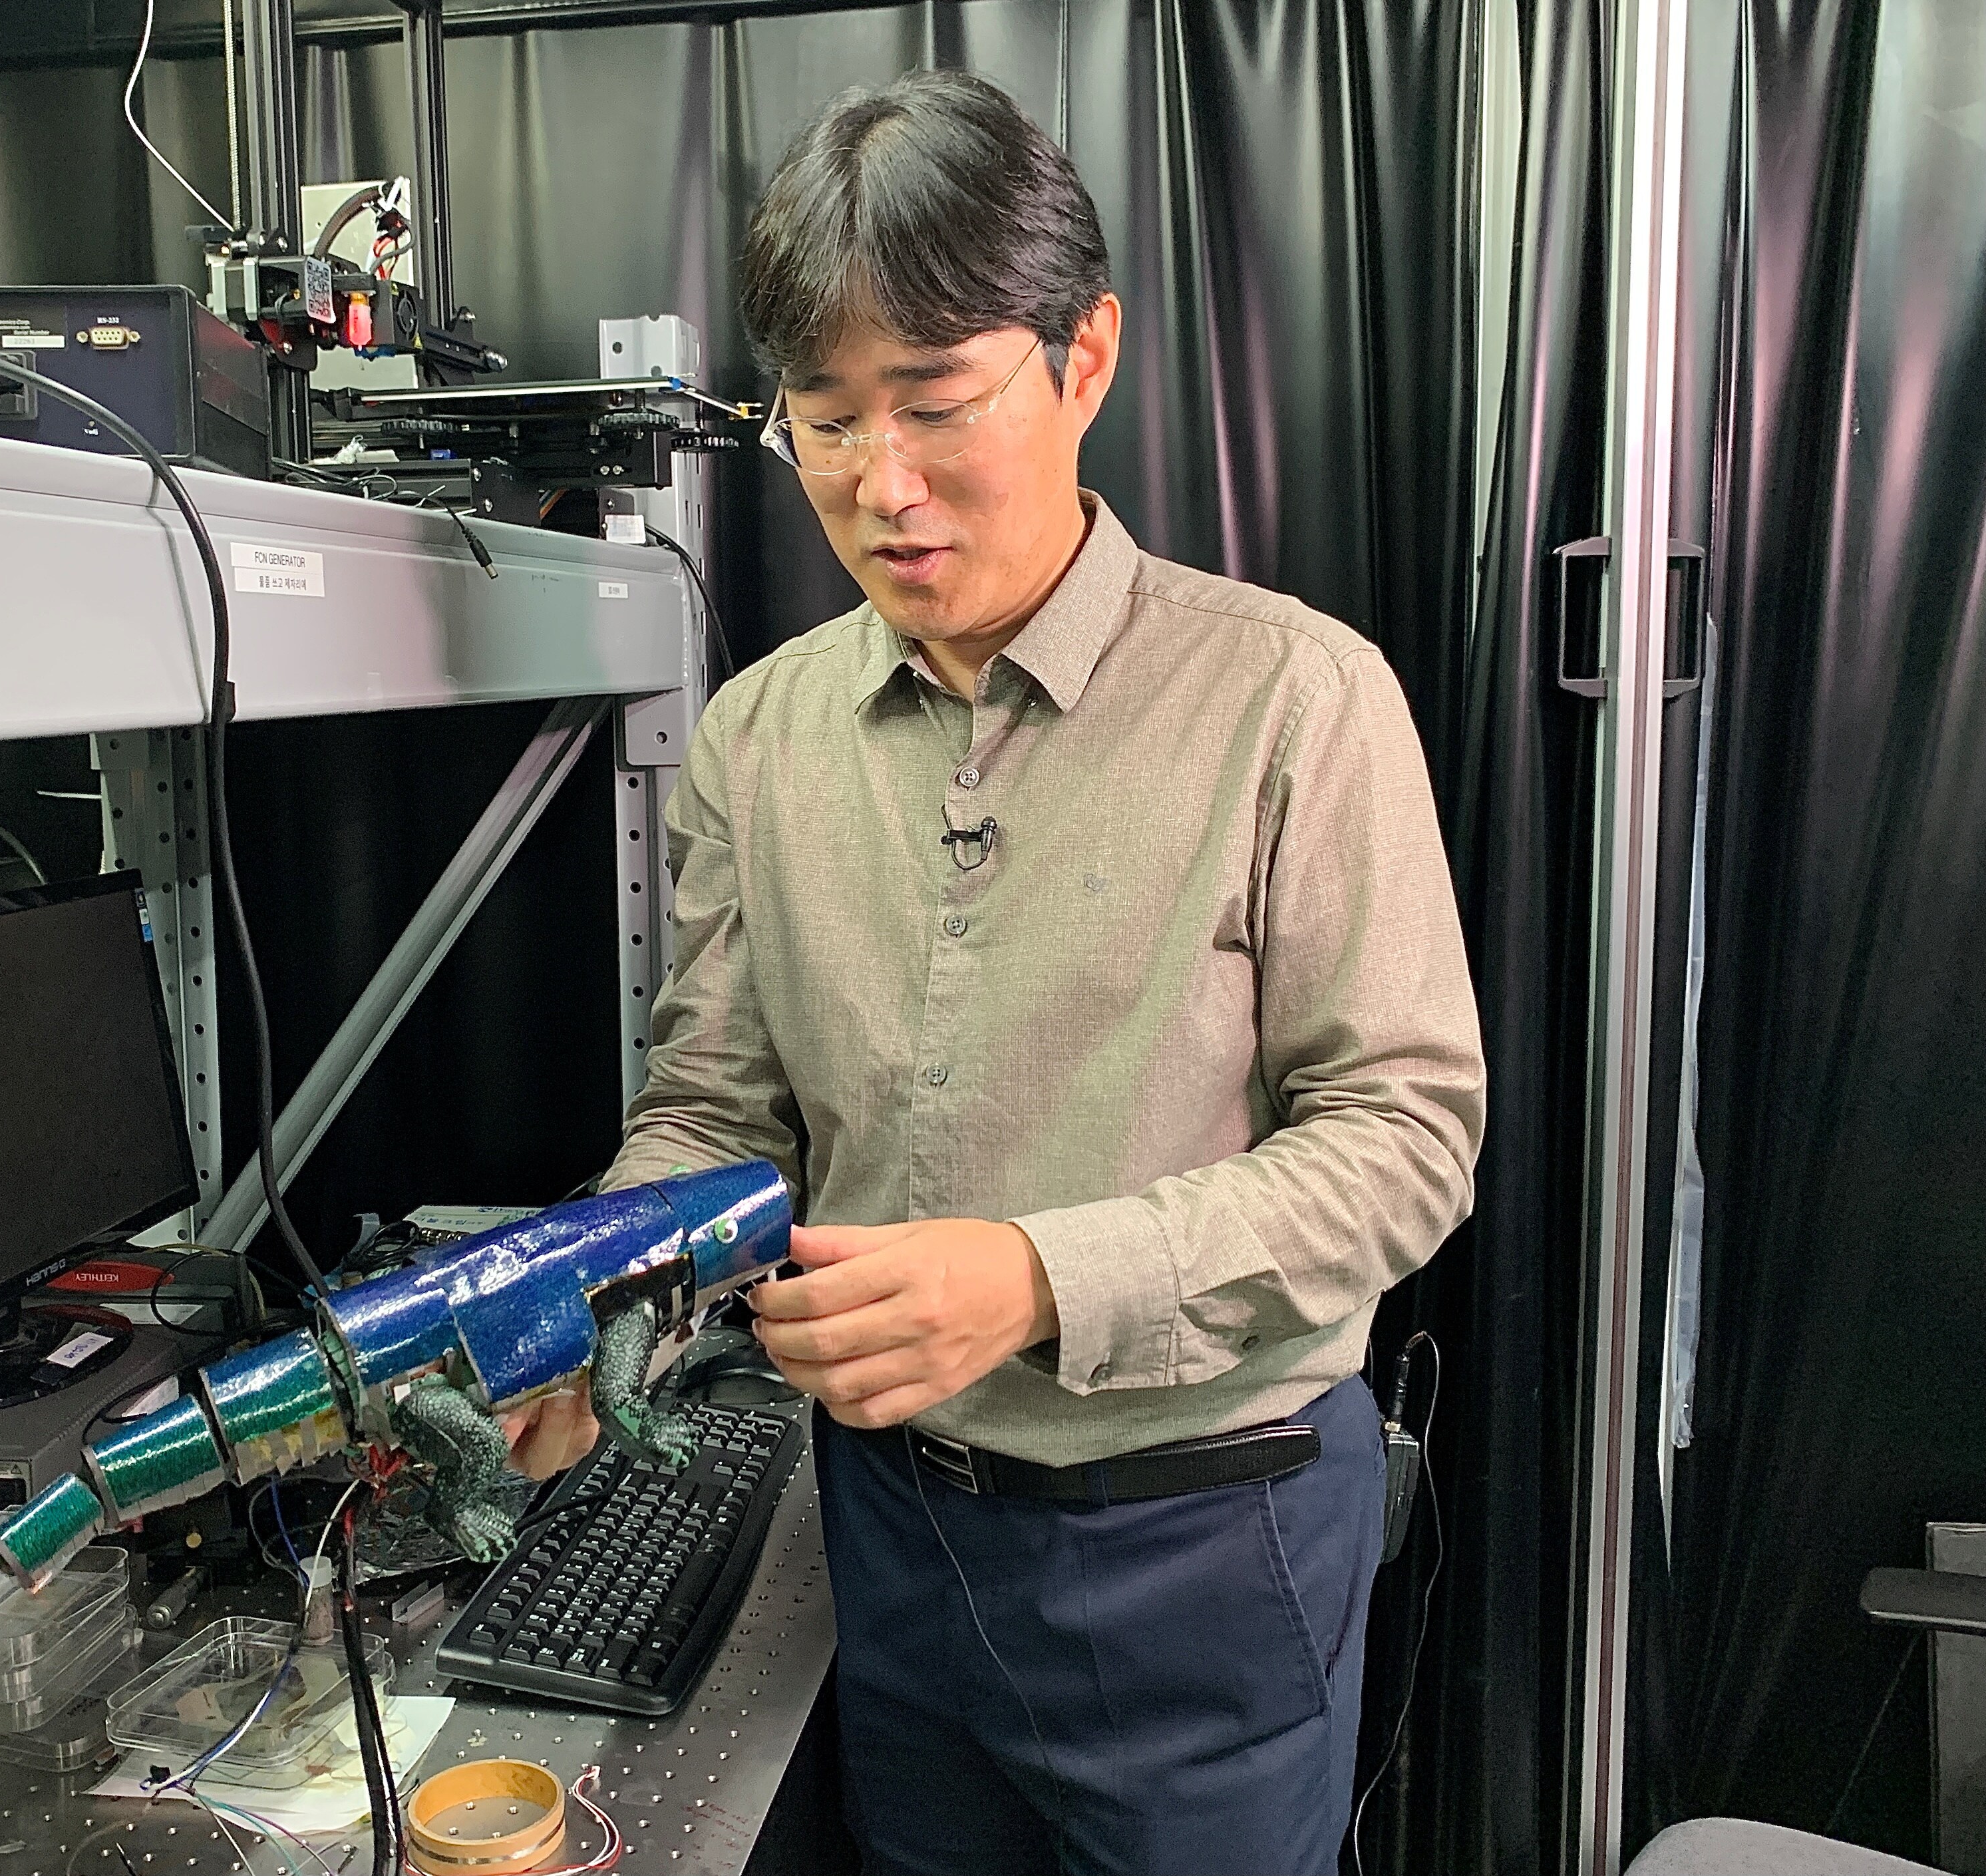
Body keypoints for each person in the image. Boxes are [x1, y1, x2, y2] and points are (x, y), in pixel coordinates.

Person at [504, 69, 1486, 1876]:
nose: (884, 485)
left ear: (1083, 357)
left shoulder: (1294, 700)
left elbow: (1409, 1138)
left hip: (1208, 1542)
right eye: (824, 418)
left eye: (939, 404)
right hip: (895, 1533)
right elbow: (714, 1111)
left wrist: (1037, 1276)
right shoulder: (758, 735)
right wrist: (594, 1300)